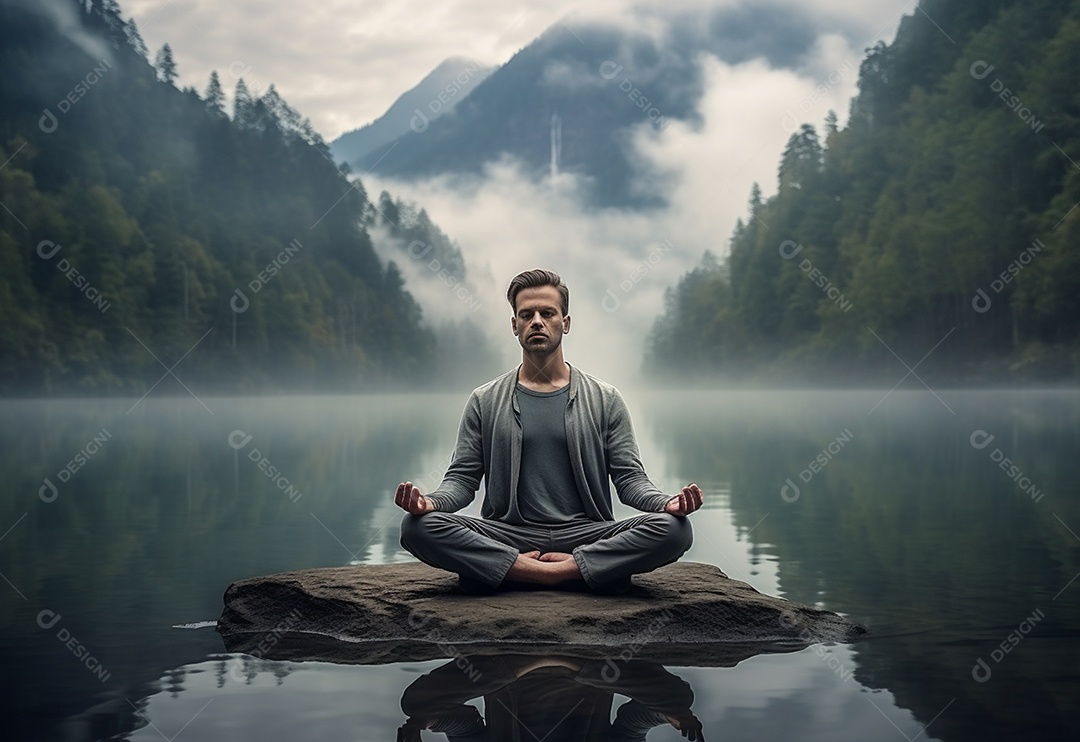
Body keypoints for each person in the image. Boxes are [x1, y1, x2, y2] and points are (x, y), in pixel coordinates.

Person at [396, 269, 703, 593]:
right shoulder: (484, 400)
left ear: (565, 323)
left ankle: (545, 568)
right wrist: (430, 503)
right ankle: (546, 569)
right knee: (417, 527)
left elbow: (630, 480)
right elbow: (461, 480)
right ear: (514, 325)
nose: (537, 322)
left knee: (675, 530)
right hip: (508, 533)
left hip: (587, 533)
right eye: (526, 315)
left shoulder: (606, 399)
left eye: (547, 313)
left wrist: (665, 503)